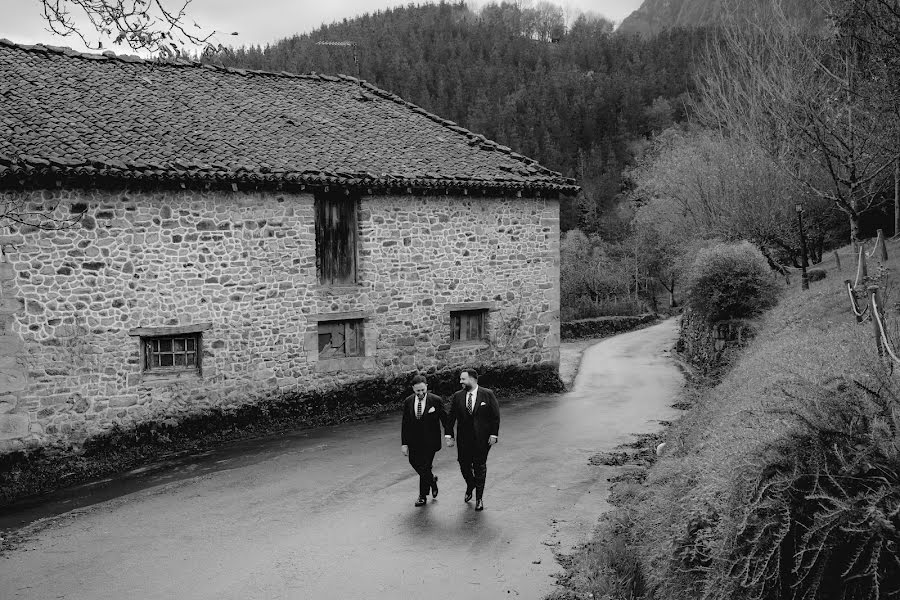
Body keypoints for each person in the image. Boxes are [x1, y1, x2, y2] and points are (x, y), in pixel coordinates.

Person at [445, 368, 499, 511]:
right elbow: (451, 418)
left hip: (482, 439)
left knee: (480, 467)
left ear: (473, 379)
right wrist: (449, 435)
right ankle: (470, 484)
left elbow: (495, 416)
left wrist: (494, 435)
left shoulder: (487, 394)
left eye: (463, 379)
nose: (460, 381)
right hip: (463, 439)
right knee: (464, 465)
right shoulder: (458, 396)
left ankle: (479, 499)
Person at [401, 374, 448, 507]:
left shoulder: (436, 400)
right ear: (413, 389)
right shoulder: (408, 401)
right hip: (414, 441)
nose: (421, 393)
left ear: (426, 387)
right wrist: (404, 443)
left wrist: (449, 435)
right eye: (418, 391)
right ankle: (432, 480)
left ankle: (422, 496)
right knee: (414, 462)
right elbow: (405, 423)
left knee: (425, 466)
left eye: (423, 390)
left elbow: (445, 419)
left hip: (430, 441)